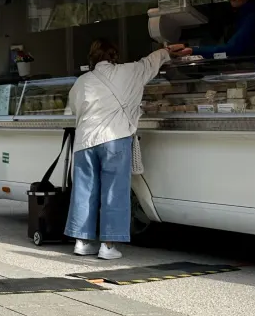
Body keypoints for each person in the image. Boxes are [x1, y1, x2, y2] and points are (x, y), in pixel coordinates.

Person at [64, 39, 181, 260]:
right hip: (114, 138)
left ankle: (82, 242)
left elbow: (74, 109)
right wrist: (166, 51)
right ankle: (107, 247)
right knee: (114, 192)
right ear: (114, 56)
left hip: (84, 141)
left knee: (83, 191)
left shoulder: (82, 81)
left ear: (93, 59)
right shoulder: (129, 71)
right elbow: (150, 62)